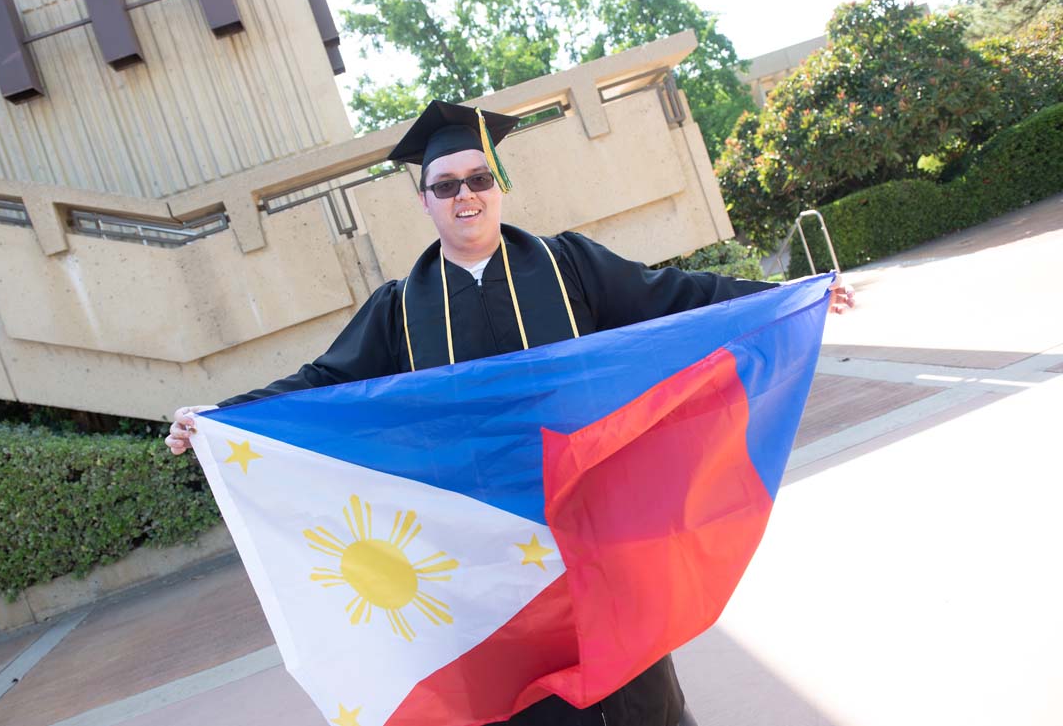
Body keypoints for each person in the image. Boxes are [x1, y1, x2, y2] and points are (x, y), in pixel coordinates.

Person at [166, 100, 854, 726]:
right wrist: (221, 417)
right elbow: (322, 384)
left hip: (590, 526)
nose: (465, 195)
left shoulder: (567, 265)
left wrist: (790, 295)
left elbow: (675, 294)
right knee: (526, 704)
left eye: (478, 178)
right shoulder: (399, 308)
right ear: (424, 200)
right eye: (446, 185)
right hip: (485, 554)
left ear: (498, 185)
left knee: (641, 695)